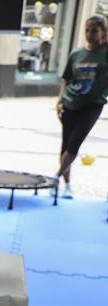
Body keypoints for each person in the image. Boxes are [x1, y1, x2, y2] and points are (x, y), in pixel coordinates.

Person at [53, 14, 108, 200]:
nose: (89, 34)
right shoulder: (76, 54)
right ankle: (66, 185)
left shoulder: (105, 53)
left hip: (92, 105)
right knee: (65, 144)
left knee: (74, 143)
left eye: (94, 31)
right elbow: (67, 79)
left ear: (103, 32)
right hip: (70, 103)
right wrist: (60, 101)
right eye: (87, 30)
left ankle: (55, 177)